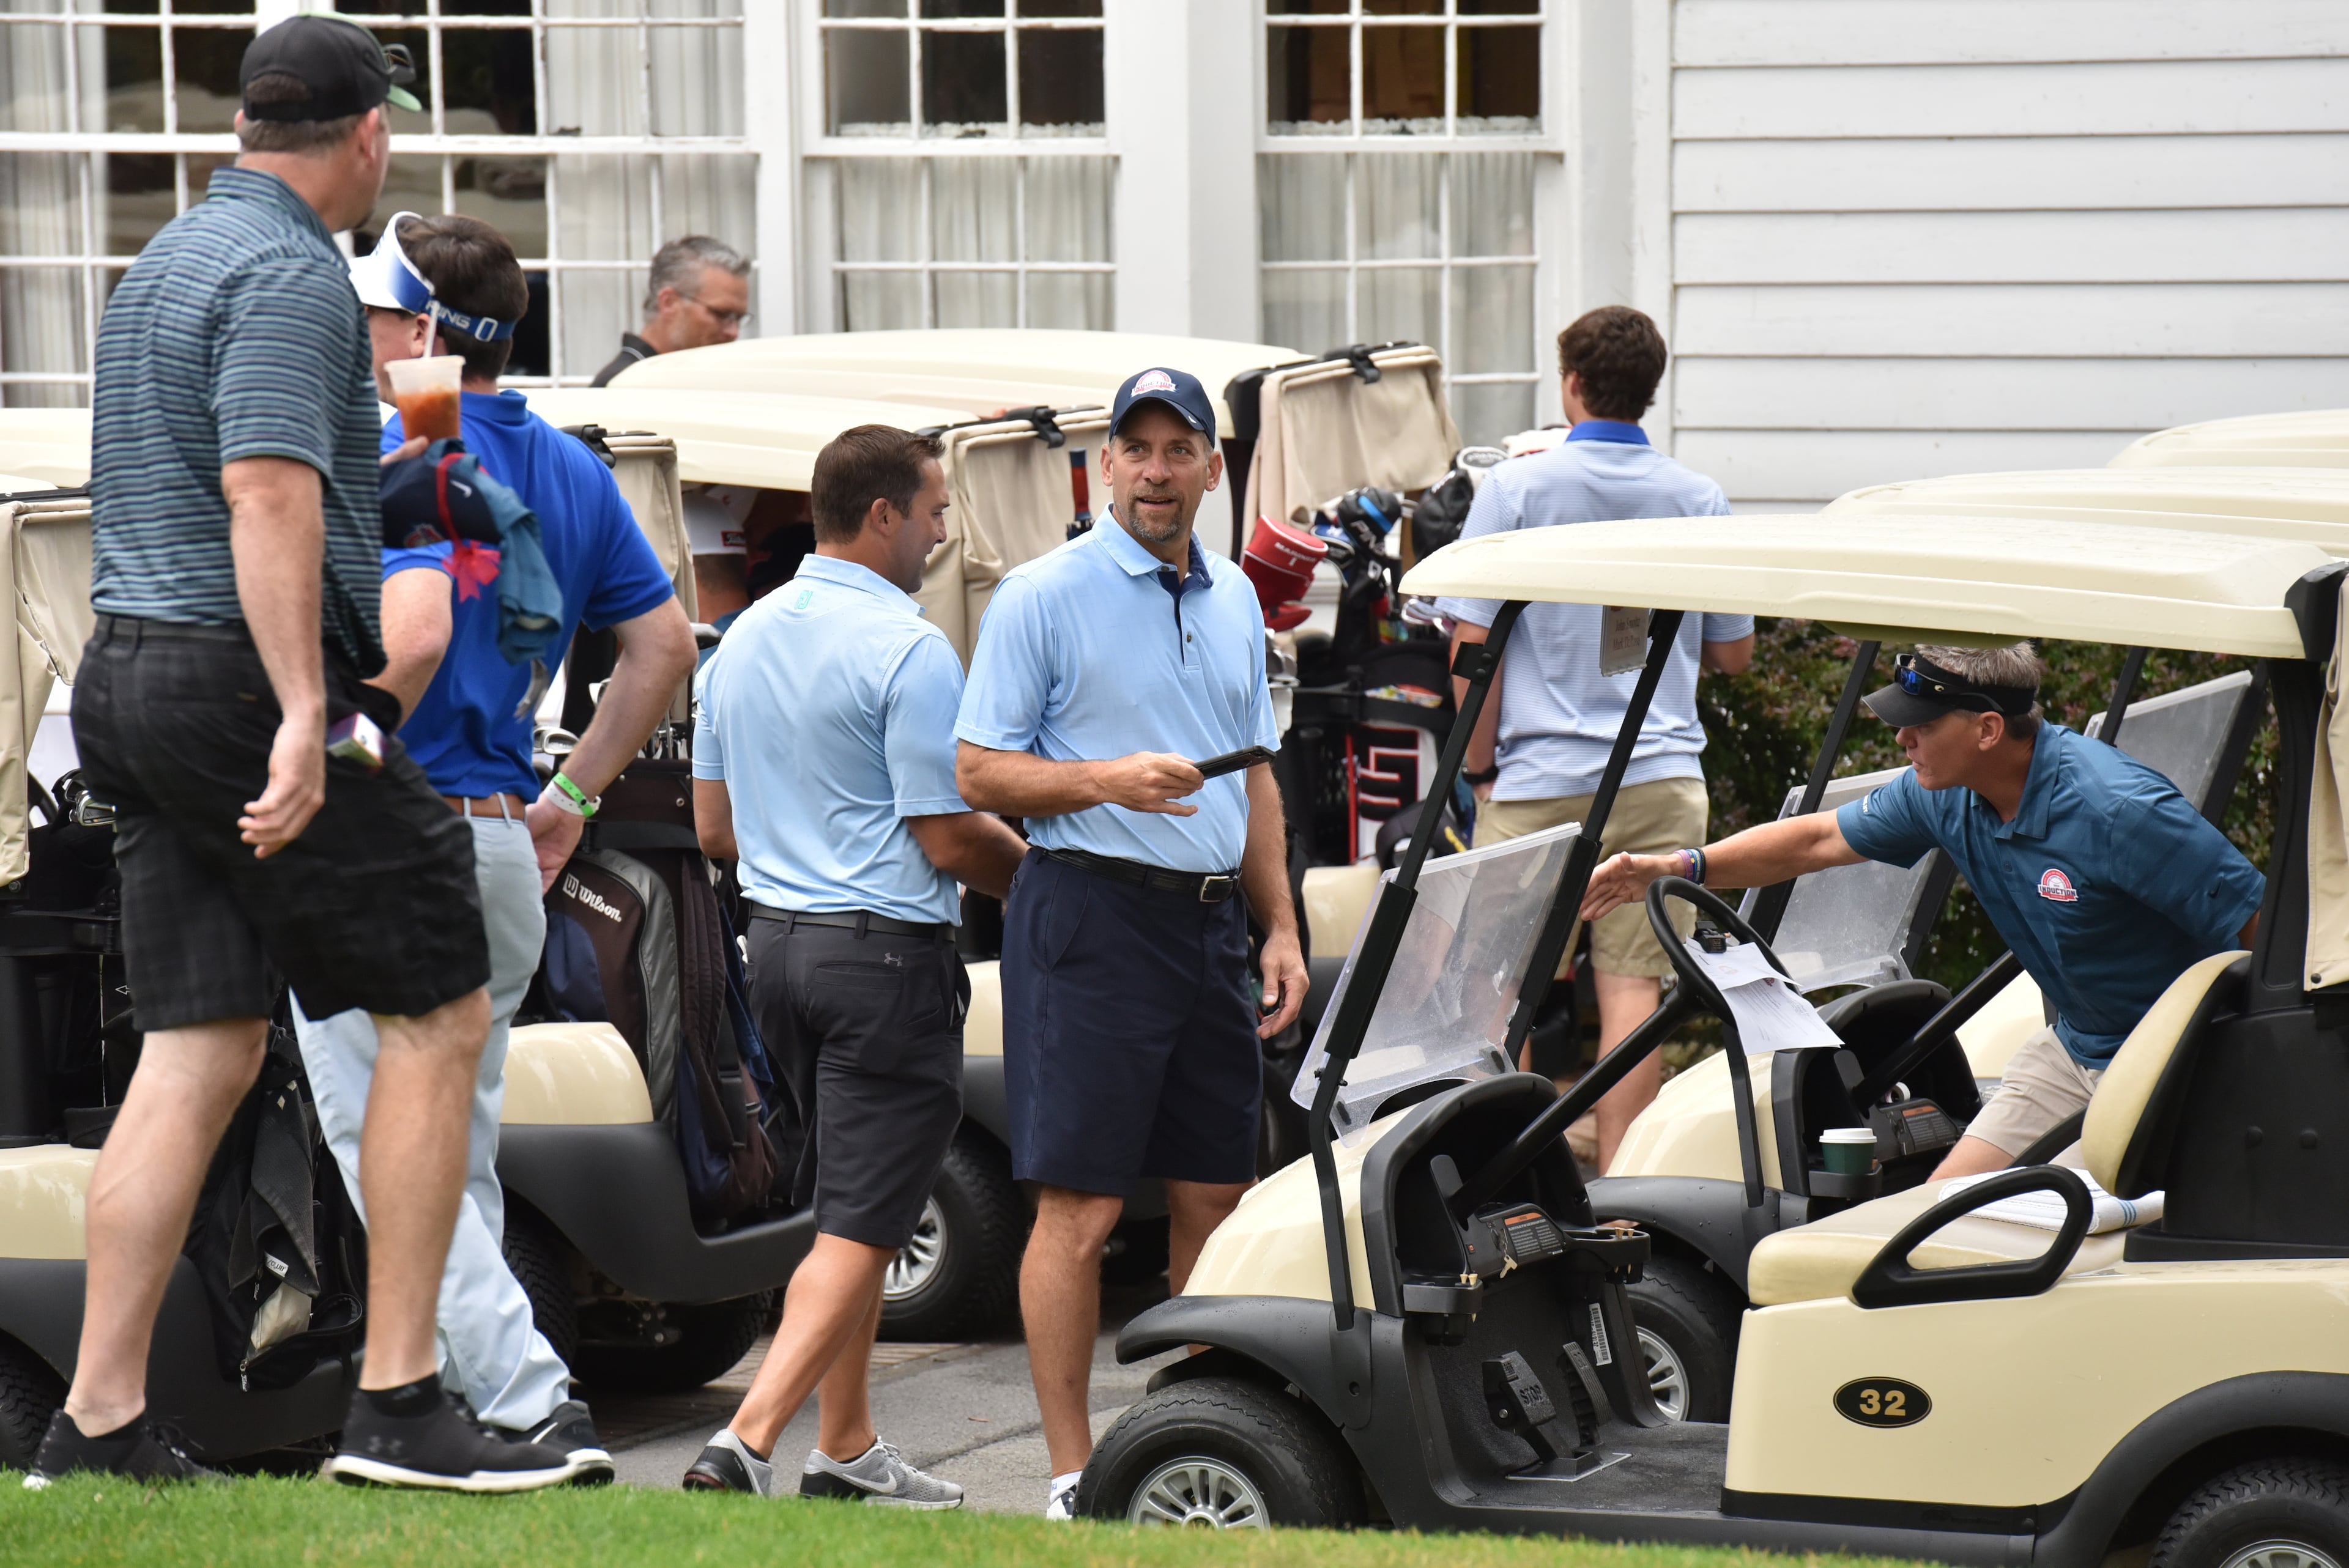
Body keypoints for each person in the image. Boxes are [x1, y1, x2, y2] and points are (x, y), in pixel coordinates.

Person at [36, 16, 577, 1490]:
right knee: (443, 992)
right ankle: (403, 1405)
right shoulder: (289, 274)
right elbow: (269, 493)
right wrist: (302, 710)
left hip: (128, 675)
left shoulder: (158, 267)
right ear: (368, 137)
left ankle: (93, 1426)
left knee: (198, 1046)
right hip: (252, 683)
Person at [297, 210, 696, 1473]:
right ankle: (475, 1412)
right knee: (447, 1157)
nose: (359, 332)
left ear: (420, 327)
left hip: (384, 839)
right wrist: (570, 801)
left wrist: (331, 759)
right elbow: (664, 648)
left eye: (375, 311)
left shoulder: (378, 449)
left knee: (388, 1153)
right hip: (502, 848)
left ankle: (527, 1404)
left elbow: (401, 649)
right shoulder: (572, 468)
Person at [954, 366, 1310, 1520]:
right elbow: (976, 772)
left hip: (1211, 922)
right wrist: (1107, 778)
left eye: (1179, 448)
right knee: (1083, 1208)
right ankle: (1071, 1474)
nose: (1158, 469)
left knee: (1216, 1191)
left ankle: (1193, 1432)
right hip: (1090, 917)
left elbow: (1254, 774)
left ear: (1214, 464)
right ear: (1104, 463)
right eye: (1137, 447)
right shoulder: (1039, 596)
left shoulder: (1237, 600)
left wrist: (1282, 924)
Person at [683, 425, 1026, 1504]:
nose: (939, 530)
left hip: (776, 950)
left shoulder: (736, 638)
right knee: (866, 1217)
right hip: (882, 957)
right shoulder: (912, 645)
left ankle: (850, 1444)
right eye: (931, 509)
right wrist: (1054, 884)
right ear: (881, 514)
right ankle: (746, 1438)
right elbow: (948, 834)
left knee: (846, 1210)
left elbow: (713, 828)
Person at [1580, 643, 2266, 1179]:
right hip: (2075, 1047)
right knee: (1942, 1216)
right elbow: (1818, 838)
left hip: (2167, 1063)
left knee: (2039, 1226)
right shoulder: (1944, 791)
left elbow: (2262, 931)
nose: (1902, 741)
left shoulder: (2118, 811)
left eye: (1920, 726)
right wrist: (1676, 866)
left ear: (1989, 729)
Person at [1432, 305, 1754, 1174]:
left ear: (1571, 385)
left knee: (1499, 993)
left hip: (1539, 780)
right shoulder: (1698, 497)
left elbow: (1473, 648)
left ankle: (1513, 1183)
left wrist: (1480, 769)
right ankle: (1623, 1194)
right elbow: (1733, 651)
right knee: (1633, 994)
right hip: (1660, 779)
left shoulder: (1518, 489)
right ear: (1648, 393)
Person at [591, 235, 751, 386]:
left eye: (738, 318)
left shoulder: (675, 379)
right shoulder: (622, 386)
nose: (733, 332)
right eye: (721, 314)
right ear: (669, 303)